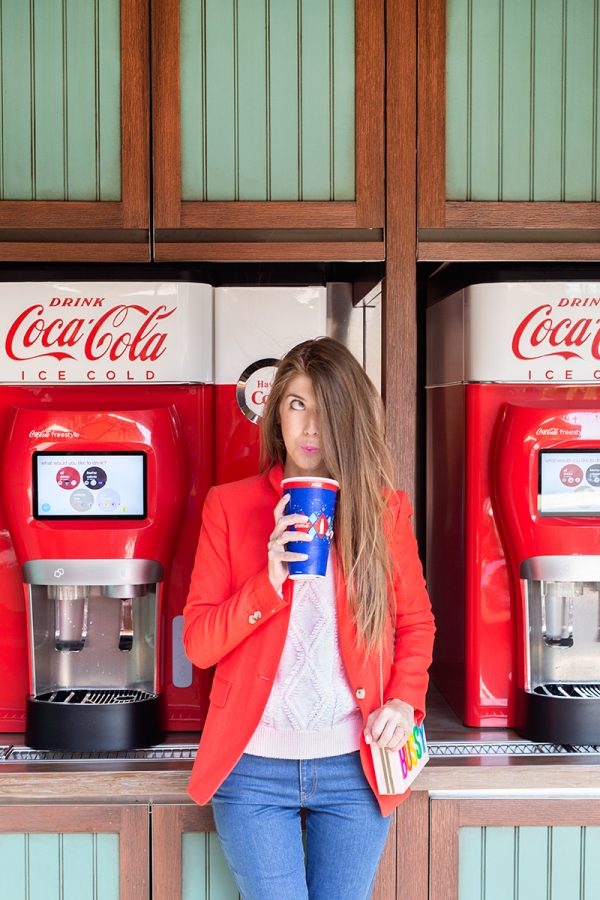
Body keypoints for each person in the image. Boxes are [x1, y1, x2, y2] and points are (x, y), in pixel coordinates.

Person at [183, 337, 435, 900]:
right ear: (277, 414)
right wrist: (268, 581)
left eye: (324, 407)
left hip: (355, 769)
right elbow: (198, 644)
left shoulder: (382, 510)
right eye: (296, 404)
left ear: (348, 415)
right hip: (252, 771)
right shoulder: (230, 507)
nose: (309, 425)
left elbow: (415, 623)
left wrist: (402, 699)